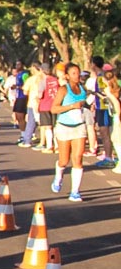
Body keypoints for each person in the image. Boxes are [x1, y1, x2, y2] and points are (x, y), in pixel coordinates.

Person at [50, 62, 88, 201]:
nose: (77, 76)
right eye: (73, 73)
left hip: (79, 126)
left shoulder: (82, 89)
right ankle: (58, 177)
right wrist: (72, 106)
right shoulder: (63, 90)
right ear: (67, 76)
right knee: (64, 160)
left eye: (78, 73)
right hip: (64, 126)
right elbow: (54, 109)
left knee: (78, 158)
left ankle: (75, 192)